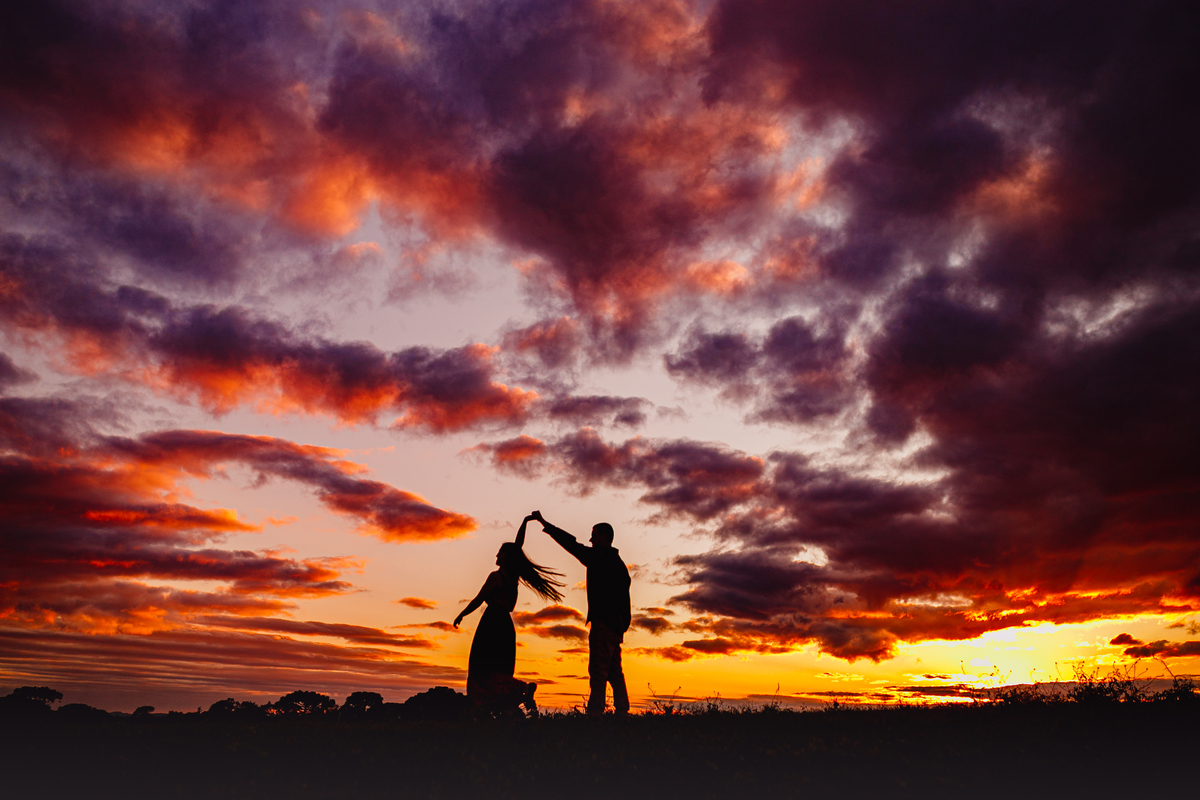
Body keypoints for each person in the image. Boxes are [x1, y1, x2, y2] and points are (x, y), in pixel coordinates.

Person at [454, 514, 564, 717]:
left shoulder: (496, 577)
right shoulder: (513, 576)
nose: (496, 555)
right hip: (506, 626)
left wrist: (462, 614)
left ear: (505, 556)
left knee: (482, 670)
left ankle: (509, 697)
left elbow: (479, 599)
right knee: (501, 671)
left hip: (491, 624)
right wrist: (524, 522)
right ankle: (516, 697)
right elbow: (517, 547)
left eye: (499, 553)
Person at [531, 510, 631, 715]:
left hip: (604, 623)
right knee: (614, 671)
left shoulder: (600, 558)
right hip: (615, 626)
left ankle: (595, 714)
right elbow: (625, 597)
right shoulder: (620, 564)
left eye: (594, 534)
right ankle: (622, 712)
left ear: (603, 537)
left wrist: (545, 524)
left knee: (599, 670)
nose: (590, 539)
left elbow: (572, 545)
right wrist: (623, 623)